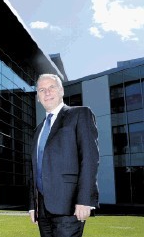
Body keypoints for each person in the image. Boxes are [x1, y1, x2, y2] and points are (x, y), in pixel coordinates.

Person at [28, 73, 99, 237]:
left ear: (61, 91)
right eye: (41, 90)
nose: (47, 92)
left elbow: (89, 159)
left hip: (70, 206)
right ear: (38, 97)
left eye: (51, 87)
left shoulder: (80, 114)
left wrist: (85, 200)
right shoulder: (37, 130)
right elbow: (33, 169)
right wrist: (33, 205)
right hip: (43, 210)